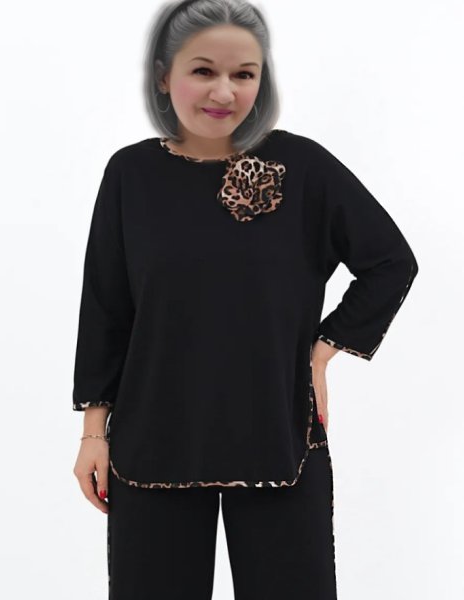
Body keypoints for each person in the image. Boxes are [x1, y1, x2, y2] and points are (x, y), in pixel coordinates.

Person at [71, 1, 419, 598]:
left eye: (244, 74)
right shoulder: (130, 174)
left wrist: (321, 352)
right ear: (164, 76)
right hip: (154, 439)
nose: (224, 92)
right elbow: (107, 309)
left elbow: (391, 262)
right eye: (203, 71)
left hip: (279, 432)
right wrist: (93, 434)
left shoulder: (303, 166)